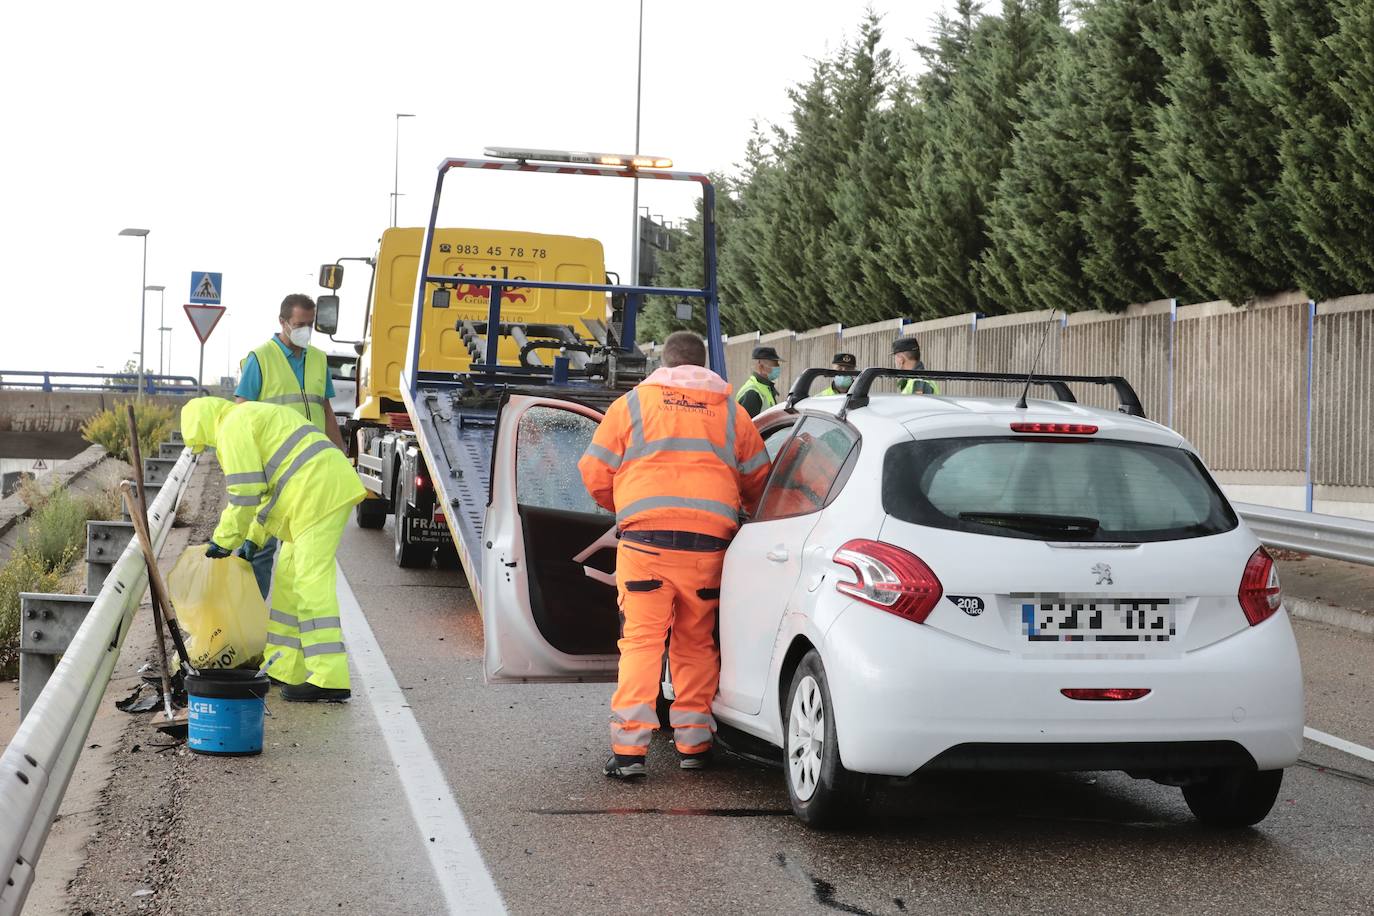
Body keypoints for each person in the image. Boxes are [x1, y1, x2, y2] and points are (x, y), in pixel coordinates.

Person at [579, 331, 771, 780]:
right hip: (709, 547)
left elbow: (594, 471)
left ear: (663, 364)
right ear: (706, 365)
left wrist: (625, 505)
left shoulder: (631, 405)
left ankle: (629, 753)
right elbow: (759, 479)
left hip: (646, 543)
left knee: (642, 643)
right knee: (695, 643)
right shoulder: (731, 411)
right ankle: (694, 744)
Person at [183, 396, 364, 702]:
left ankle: (329, 676)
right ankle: (283, 667)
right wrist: (254, 537)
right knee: (288, 581)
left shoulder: (231, 428)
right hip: (311, 492)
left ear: (204, 426)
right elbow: (265, 491)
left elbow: (244, 496)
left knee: (310, 583)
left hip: (317, 494)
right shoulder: (244, 418)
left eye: (205, 443)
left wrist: (224, 541)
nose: (210, 449)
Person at [234, 293, 346, 600]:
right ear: (283, 322)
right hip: (271, 469)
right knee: (261, 547)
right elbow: (241, 410)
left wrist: (341, 456)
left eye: (310, 325)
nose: (305, 331)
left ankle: (295, 617)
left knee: (305, 547)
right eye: (299, 324)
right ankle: (252, 620)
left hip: (311, 471)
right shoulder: (261, 358)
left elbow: (324, 409)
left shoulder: (319, 359)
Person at [736, 345, 783, 418]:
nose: (778, 368)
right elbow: (748, 426)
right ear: (761, 367)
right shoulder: (752, 392)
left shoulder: (765, 388)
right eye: (775, 365)